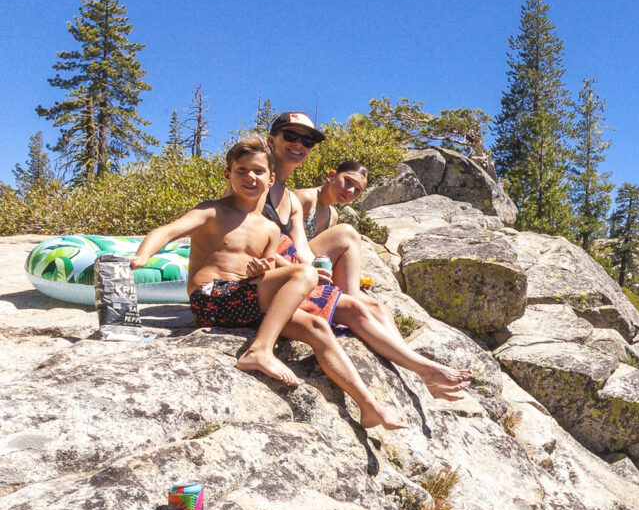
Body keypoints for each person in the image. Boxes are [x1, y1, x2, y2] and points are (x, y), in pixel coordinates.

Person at [129, 135, 404, 430]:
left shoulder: (270, 228)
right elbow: (167, 231)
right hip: (209, 298)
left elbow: (267, 267)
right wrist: (143, 256)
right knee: (305, 273)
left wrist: (262, 269)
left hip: (244, 301)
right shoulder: (213, 210)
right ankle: (260, 350)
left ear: (270, 178)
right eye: (242, 170)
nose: (250, 177)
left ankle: (368, 406)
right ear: (228, 174)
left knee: (317, 327)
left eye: (258, 171)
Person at [264, 112, 471, 401]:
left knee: (379, 308)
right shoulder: (295, 196)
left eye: (307, 141)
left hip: (298, 270)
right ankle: (421, 368)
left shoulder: (323, 211)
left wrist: (316, 270)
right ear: (331, 176)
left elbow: (302, 249)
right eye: (291, 136)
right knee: (350, 243)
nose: (349, 191)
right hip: (277, 276)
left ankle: (414, 368)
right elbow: (267, 242)